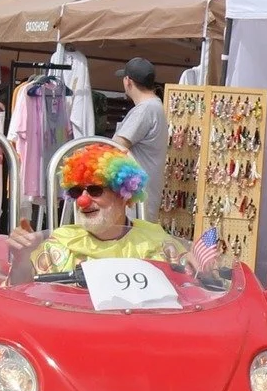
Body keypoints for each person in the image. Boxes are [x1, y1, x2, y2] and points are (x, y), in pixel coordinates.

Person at [9, 141, 184, 275]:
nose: (83, 201)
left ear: (123, 194)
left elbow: (186, 293)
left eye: (95, 190)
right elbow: (24, 294)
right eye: (77, 192)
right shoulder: (62, 243)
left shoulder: (155, 245)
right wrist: (22, 260)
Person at [111, 59, 169, 213]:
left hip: (135, 201)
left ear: (128, 81)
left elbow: (116, 147)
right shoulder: (155, 106)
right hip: (143, 198)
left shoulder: (145, 110)